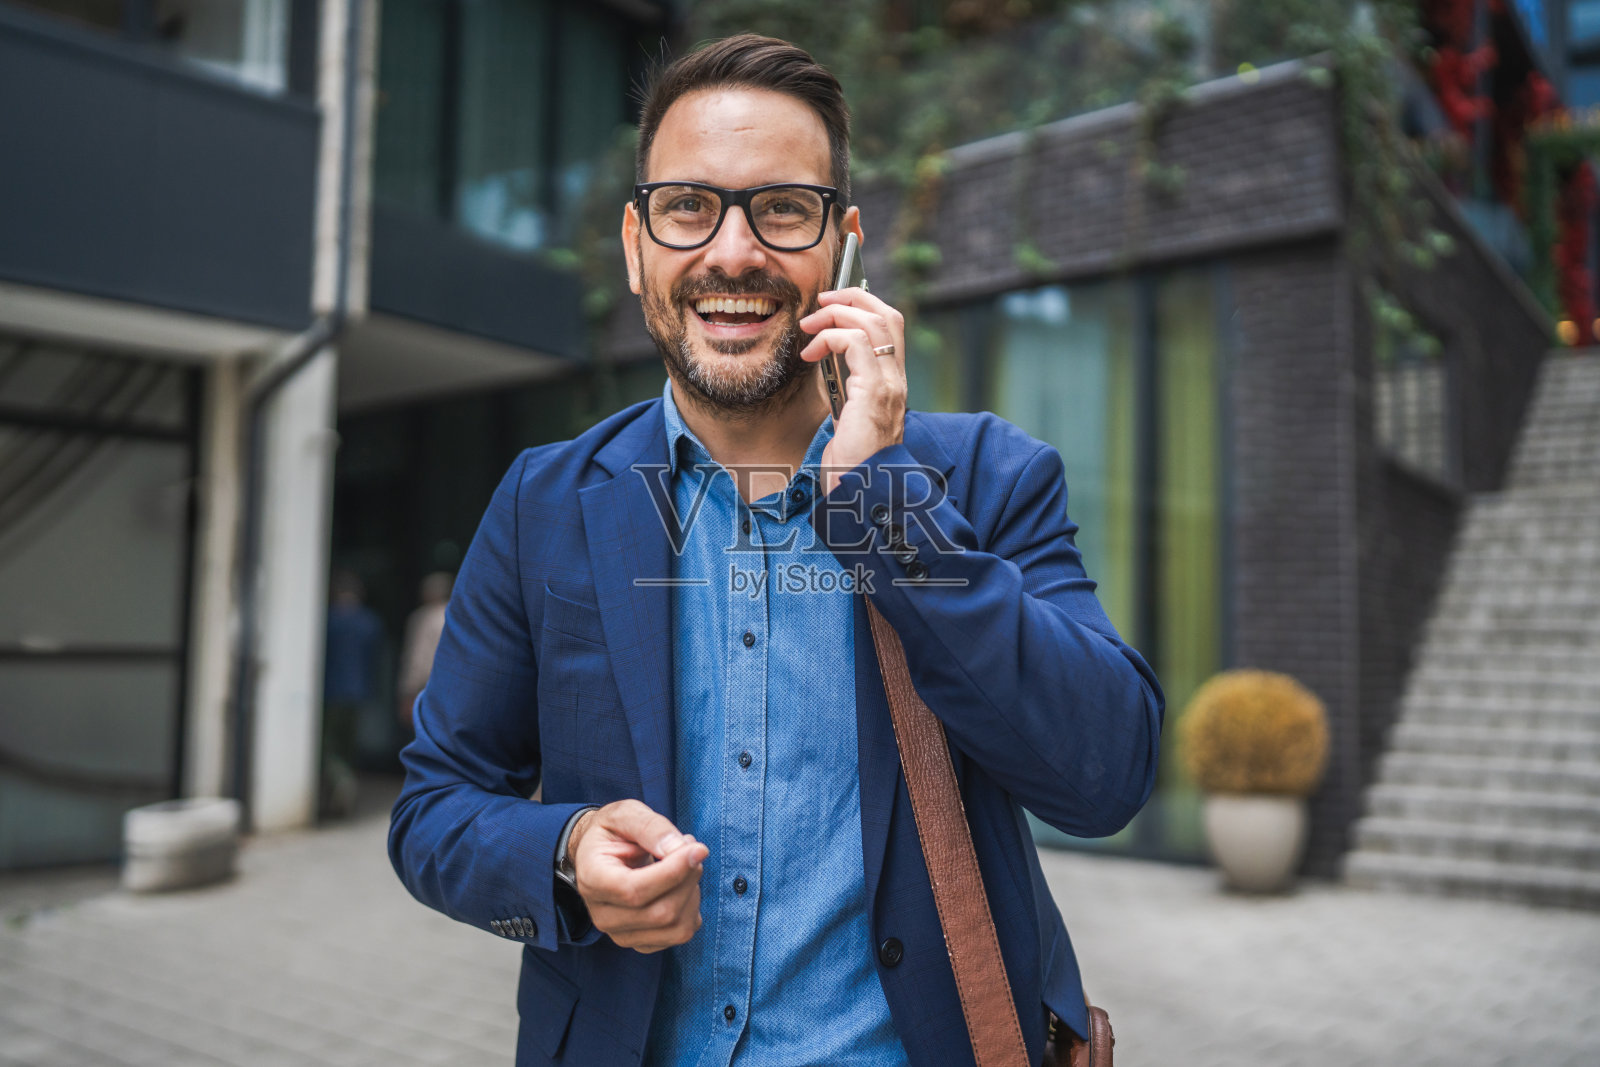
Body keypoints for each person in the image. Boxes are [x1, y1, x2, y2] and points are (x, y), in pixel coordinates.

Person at [389, 34, 1163, 1067]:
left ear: (844, 246)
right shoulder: (545, 501)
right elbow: (433, 809)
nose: (733, 253)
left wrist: (882, 496)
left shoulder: (985, 477)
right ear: (635, 244)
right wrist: (565, 856)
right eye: (688, 207)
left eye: (783, 209)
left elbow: (1105, 774)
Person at [322, 569, 382, 818]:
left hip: (331, 691)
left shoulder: (329, 620)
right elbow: (374, 659)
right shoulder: (370, 622)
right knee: (348, 746)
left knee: (327, 746)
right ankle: (344, 784)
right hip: (358, 691)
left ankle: (341, 780)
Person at [396, 570, 454, 733]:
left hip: (424, 687)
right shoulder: (455, 616)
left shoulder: (423, 617)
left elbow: (416, 656)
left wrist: (408, 692)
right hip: (450, 686)